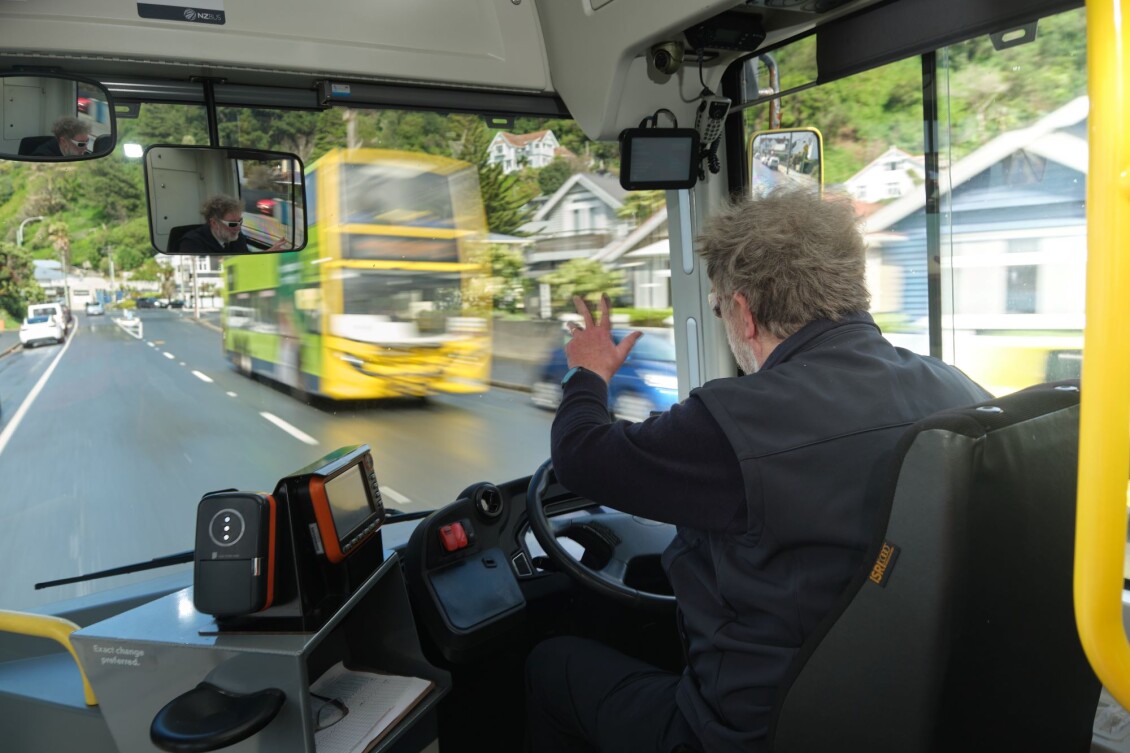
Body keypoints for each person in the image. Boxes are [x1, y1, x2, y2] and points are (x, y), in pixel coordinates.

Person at [525, 187, 992, 753]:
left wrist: (589, 373)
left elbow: (581, 456)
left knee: (552, 665)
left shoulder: (734, 422)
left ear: (743, 313)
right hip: (904, 715)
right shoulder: (959, 389)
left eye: (719, 309)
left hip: (754, 734)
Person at [177, 194, 291, 254]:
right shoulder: (191, 243)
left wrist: (268, 252)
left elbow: (246, 261)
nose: (238, 227)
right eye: (232, 224)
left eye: (240, 221)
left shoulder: (237, 237)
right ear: (214, 223)